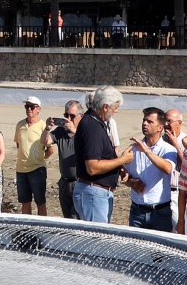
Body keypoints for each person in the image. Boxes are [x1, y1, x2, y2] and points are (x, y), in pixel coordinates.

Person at [74, 86, 135, 223]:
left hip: (94, 193)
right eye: (116, 107)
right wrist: (122, 160)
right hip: (93, 193)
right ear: (105, 107)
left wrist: (118, 168)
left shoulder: (94, 122)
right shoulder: (92, 126)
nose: (117, 111)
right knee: (96, 241)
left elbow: (100, 158)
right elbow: (93, 167)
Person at [127, 107, 179, 232]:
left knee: (161, 250)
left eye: (150, 122)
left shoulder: (168, 149)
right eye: (144, 120)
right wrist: (130, 182)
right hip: (137, 211)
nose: (145, 123)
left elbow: (167, 168)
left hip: (160, 212)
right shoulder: (133, 148)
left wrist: (146, 150)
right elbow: (124, 174)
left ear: (160, 128)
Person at [14, 96, 52, 216]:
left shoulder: (43, 126)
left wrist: (40, 158)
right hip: (21, 169)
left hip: (37, 169)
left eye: (31, 107)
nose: (29, 109)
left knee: (40, 202)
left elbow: (50, 149)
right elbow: (18, 144)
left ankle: (42, 229)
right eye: (27, 106)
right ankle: (26, 229)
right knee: (25, 202)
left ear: (38, 109)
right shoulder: (20, 125)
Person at [50, 100, 83, 219]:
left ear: (81, 116)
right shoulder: (60, 131)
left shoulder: (85, 131)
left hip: (80, 182)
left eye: (72, 116)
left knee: (76, 217)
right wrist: (46, 128)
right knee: (67, 218)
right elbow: (45, 141)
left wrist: (74, 131)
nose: (68, 119)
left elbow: (89, 148)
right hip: (64, 182)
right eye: (66, 115)